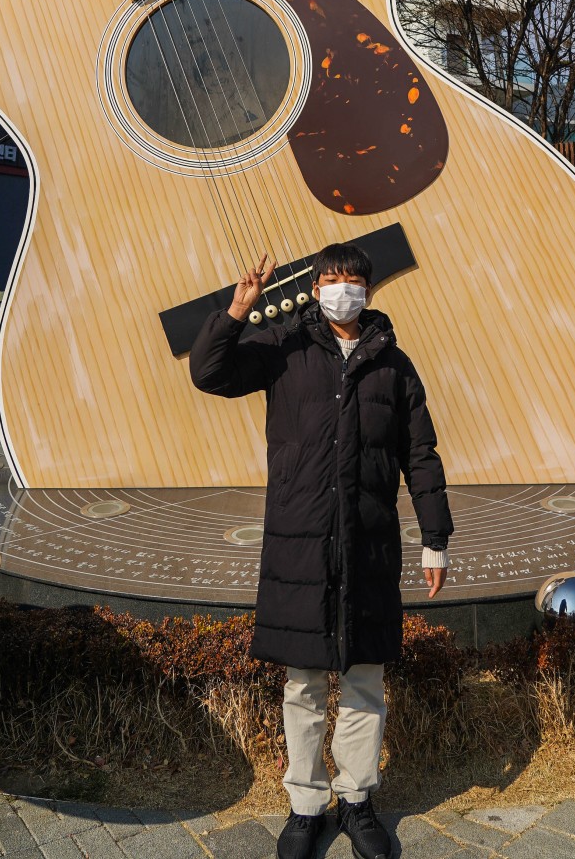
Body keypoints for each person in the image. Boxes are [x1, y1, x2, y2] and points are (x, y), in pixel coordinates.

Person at [190, 241, 454, 859]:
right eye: (331, 279)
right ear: (315, 287)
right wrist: (236, 310)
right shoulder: (283, 348)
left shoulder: (395, 364)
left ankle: (358, 802)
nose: (342, 289)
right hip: (300, 544)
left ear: (369, 290)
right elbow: (208, 373)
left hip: (369, 544)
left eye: (353, 280)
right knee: (303, 685)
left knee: (364, 680)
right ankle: (306, 807)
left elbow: (421, 456)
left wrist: (435, 539)